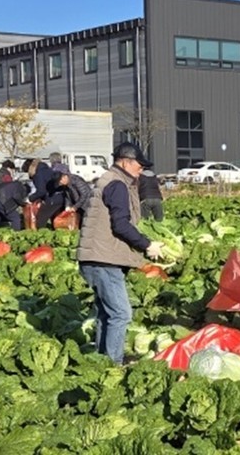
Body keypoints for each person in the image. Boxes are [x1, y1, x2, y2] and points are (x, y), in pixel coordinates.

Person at [77, 142, 163, 364]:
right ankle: (114, 364)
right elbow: (121, 225)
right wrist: (147, 245)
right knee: (121, 313)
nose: (141, 170)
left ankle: (103, 360)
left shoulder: (107, 180)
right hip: (104, 259)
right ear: (125, 161)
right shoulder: (117, 184)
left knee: (107, 313)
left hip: (95, 257)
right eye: (139, 165)